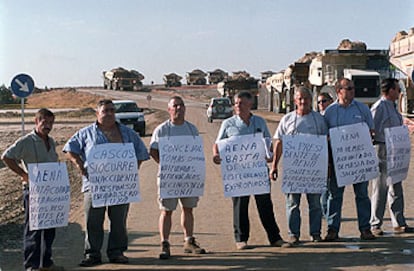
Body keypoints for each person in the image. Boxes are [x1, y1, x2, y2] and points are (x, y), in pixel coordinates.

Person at [63, 99, 149, 267]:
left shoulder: (127, 133)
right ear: (97, 113)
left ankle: (116, 252)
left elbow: (141, 152)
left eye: (111, 110)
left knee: (118, 220)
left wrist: (132, 170)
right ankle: (92, 254)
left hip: (121, 186)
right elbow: (69, 149)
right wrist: (79, 165)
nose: (109, 113)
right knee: (93, 221)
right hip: (94, 186)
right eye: (105, 111)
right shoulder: (86, 133)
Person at [213, 91, 285, 250]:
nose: (238, 106)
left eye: (242, 103)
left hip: (258, 172)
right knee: (240, 206)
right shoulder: (228, 124)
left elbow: (267, 143)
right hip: (238, 174)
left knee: (265, 205)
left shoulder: (259, 122)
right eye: (236, 103)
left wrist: (269, 155)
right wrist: (216, 155)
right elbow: (218, 144)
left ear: (250, 105)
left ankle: (275, 238)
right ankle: (241, 239)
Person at [1, 108, 64, 271]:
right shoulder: (26, 141)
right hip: (33, 191)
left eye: (51, 122)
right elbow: (6, 157)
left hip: (51, 192)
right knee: (34, 230)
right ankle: (31, 266)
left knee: (50, 228)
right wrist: (23, 174)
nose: (48, 125)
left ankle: (46, 263)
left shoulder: (51, 142)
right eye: (44, 122)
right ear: (36, 121)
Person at [149, 96, 206, 259]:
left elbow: (196, 152)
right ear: (169, 109)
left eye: (181, 105)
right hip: (169, 179)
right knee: (166, 211)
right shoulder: (162, 130)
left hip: (188, 178)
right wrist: (166, 165)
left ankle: (189, 241)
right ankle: (165, 244)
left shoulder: (192, 129)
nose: (179, 109)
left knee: (188, 209)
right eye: (175, 106)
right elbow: (153, 150)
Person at [270, 87, 328, 245]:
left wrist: (327, 166)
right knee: (293, 204)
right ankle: (293, 234)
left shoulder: (319, 120)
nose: (303, 101)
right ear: (295, 101)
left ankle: (315, 233)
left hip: (314, 171)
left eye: (306, 98)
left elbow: (326, 143)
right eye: (300, 98)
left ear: (311, 100)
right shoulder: (287, 119)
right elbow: (279, 143)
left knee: (315, 204)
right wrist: (274, 165)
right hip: (293, 172)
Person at [323, 78, 376, 241]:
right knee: (335, 196)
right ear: (339, 91)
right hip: (338, 161)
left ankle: (365, 229)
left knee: (362, 195)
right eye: (349, 88)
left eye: (353, 88)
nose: (353, 91)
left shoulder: (363, 109)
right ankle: (332, 230)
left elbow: (371, 131)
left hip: (359, 161)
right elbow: (324, 137)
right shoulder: (330, 112)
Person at [370, 78, 414, 235]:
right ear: (390, 91)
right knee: (380, 187)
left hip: (395, 149)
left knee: (396, 185)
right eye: (397, 89)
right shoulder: (379, 107)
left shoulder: (393, 107)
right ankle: (375, 224)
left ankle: (399, 222)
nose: (399, 92)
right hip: (382, 148)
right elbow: (371, 128)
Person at [317, 92, 333, 217]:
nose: (321, 104)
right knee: (323, 184)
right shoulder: (316, 118)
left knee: (331, 185)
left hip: (334, 153)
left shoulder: (333, 115)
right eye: (319, 102)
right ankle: (323, 210)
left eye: (324, 101)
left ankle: (329, 210)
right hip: (321, 154)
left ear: (331, 101)